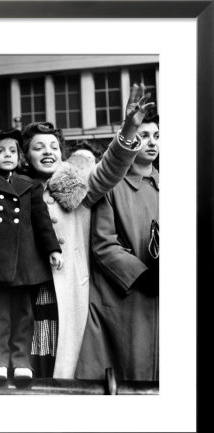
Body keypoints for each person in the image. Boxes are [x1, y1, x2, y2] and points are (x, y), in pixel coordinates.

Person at [17, 84, 155, 379]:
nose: (48, 152)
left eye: (54, 147)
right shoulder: (14, 192)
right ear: (25, 156)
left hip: (66, 297)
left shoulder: (77, 186)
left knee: (63, 373)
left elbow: (109, 168)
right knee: (27, 372)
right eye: (38, 147)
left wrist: (129, 130)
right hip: (25, 295)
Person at [0, 128, 64, 381]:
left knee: (25, 315)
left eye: (12, 151)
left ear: (20, 156)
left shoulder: (30, 186)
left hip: (26, 262)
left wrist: (52, 249)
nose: (7, 155)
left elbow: (42, 222)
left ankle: (21, 361)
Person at [75, 115, 159, 381]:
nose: (152, 142)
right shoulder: (112, 185)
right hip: (127, 295)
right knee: (130, 376)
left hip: (163, 295)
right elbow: (103, 243)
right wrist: (142, 274)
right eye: (143, 136)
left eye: (157, 136)